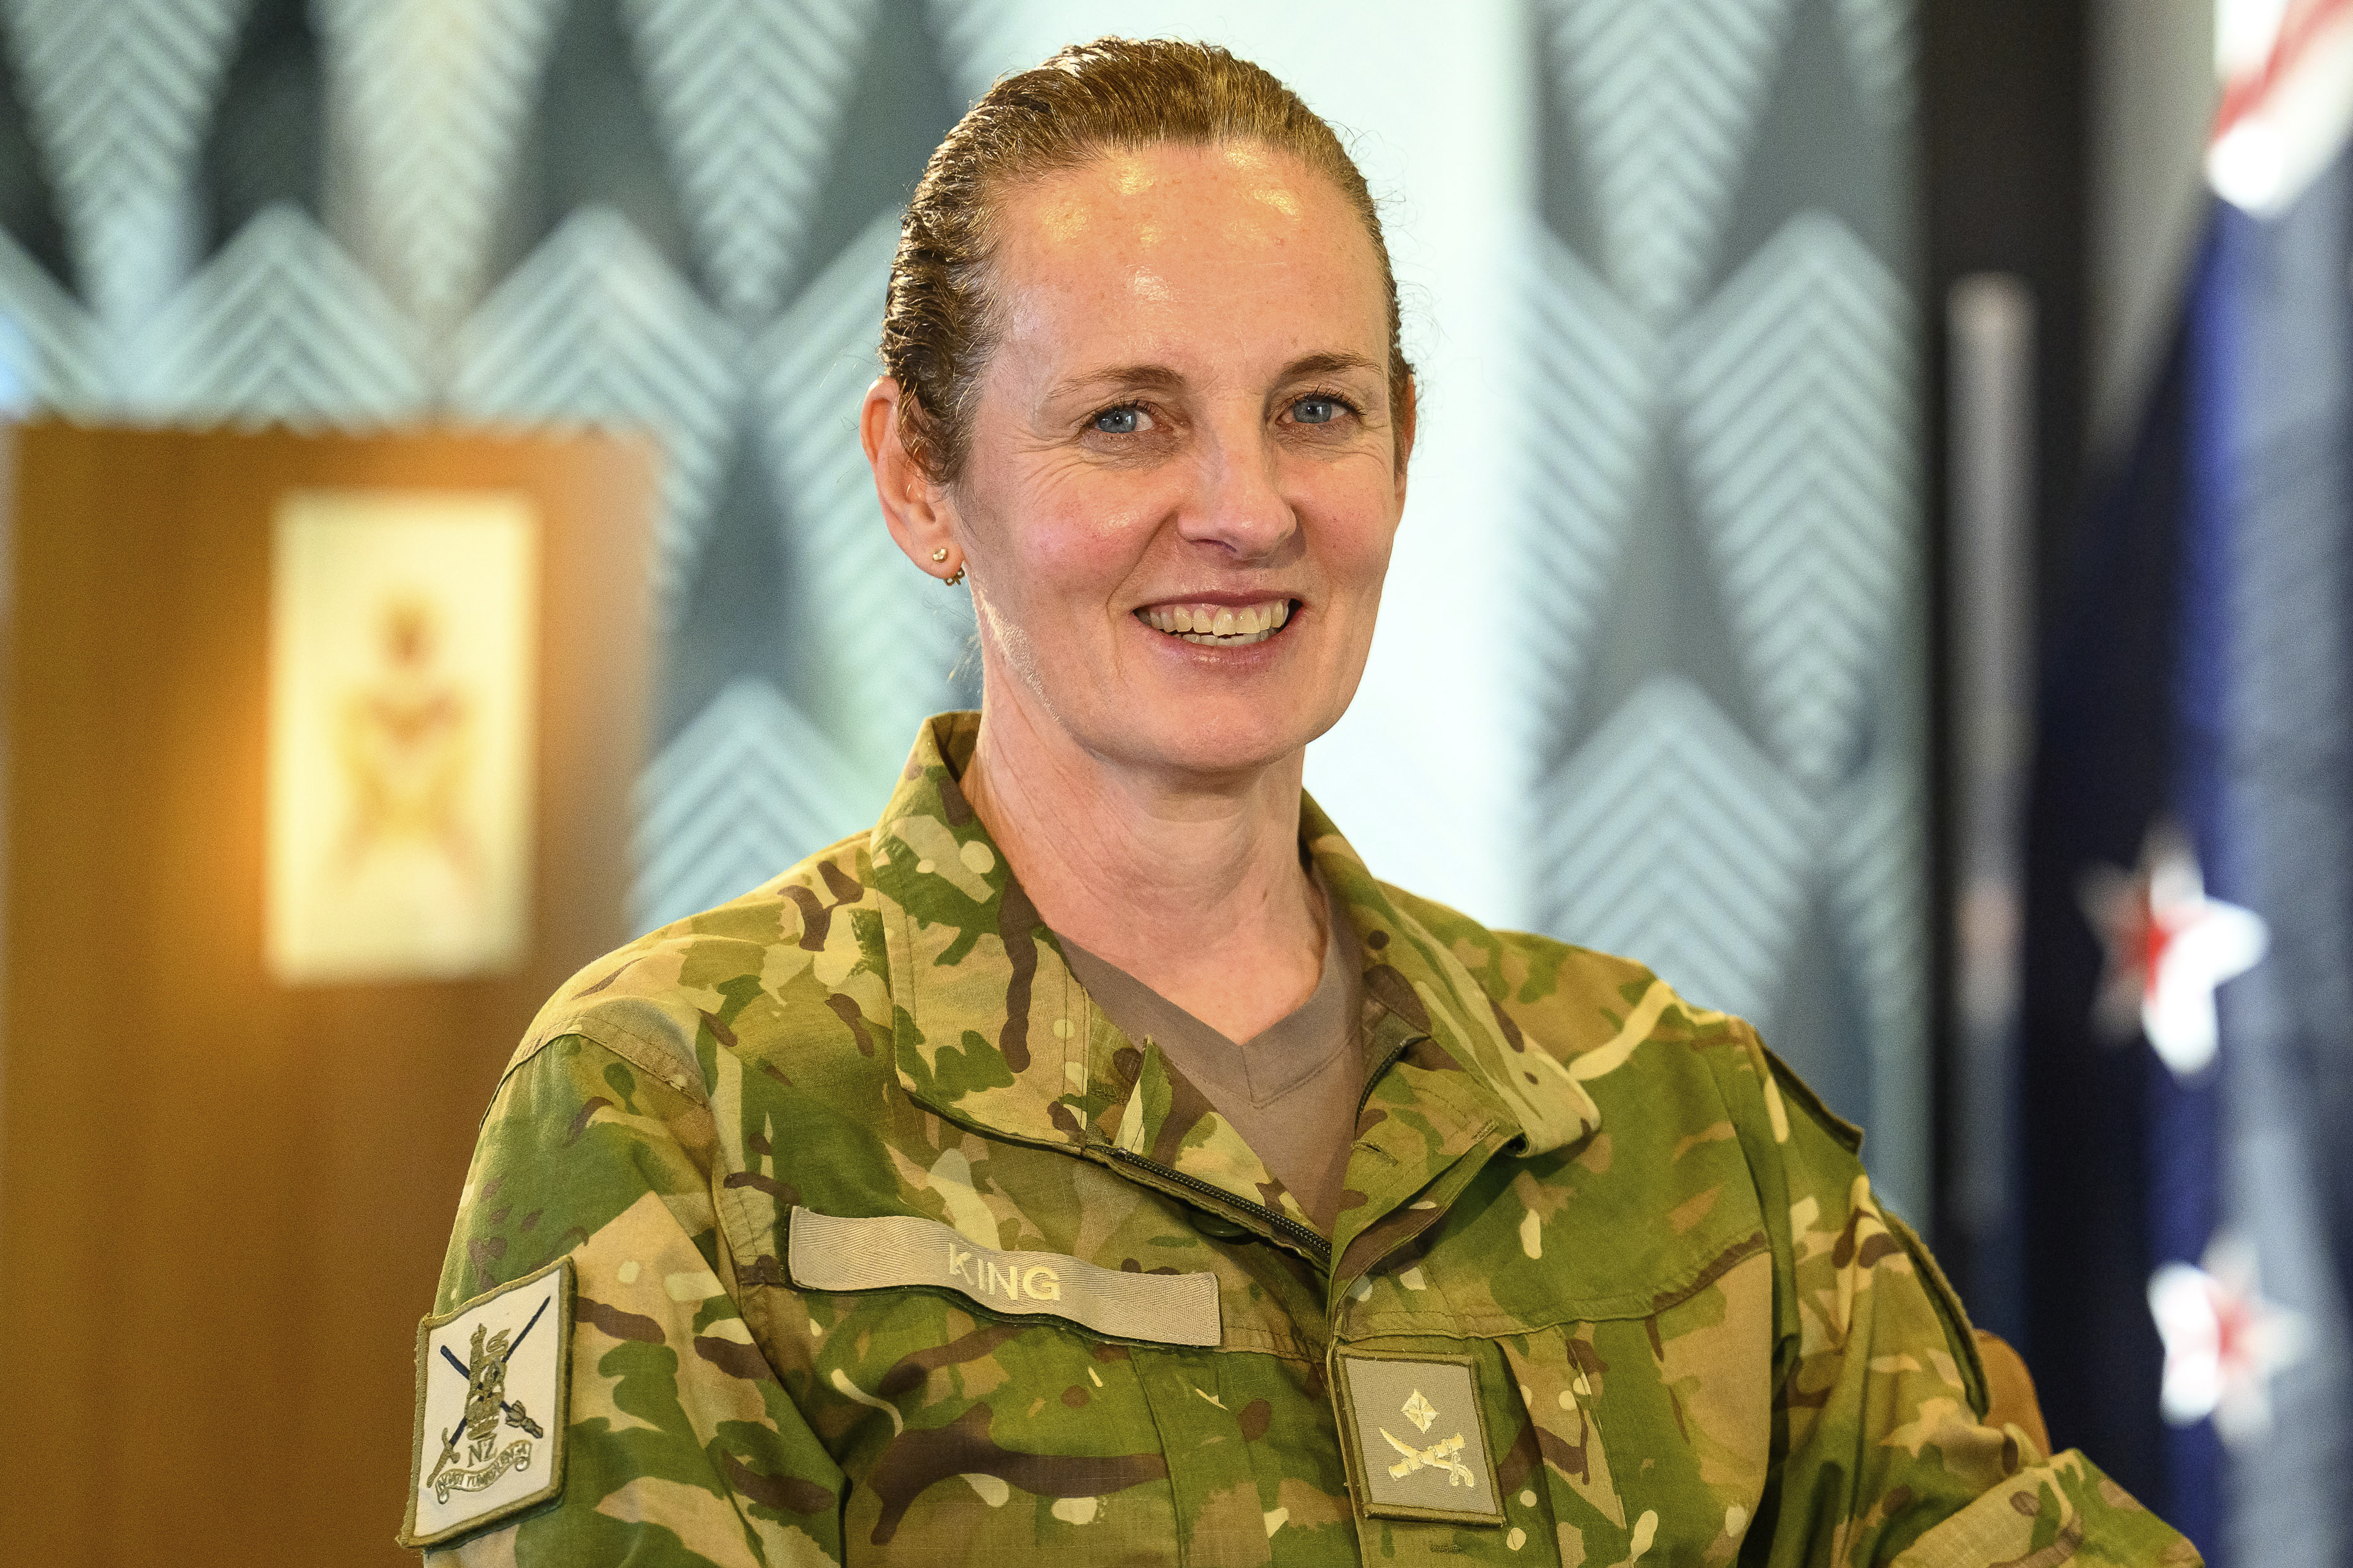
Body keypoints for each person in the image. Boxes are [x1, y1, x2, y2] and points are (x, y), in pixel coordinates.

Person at [400, 38, 2196, 1566]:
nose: (1244, 508)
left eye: (1315, 408)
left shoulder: (1669, 1117)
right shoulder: (683, 1111)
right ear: (919, 477)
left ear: (1399, 445)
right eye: (1126, 420)